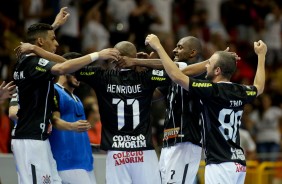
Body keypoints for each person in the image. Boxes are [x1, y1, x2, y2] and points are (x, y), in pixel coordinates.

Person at [23, 40, 170, 184]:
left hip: (116, 152)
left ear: (114, 57)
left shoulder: (102, 76)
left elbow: (65, 63)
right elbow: (175, 69)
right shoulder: (146, 77)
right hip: (144, 151)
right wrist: (141, 62)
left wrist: (37, 50)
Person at [145, 34, 267, 184]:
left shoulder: (211, 89)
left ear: (217, 71)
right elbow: (259, 87)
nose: (206, 65)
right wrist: (261, 56)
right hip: (238, 162)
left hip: (219, 163)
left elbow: (177, 75)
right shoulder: (241, 90)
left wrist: (158, 46)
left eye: (210, 63)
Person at [11, 21, 119, 183]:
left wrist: (37, 44)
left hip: (39, 139)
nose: (57, 42)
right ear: (40, 41)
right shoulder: (31, 63)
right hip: (30, 140)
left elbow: (61, 60)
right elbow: (63, 66)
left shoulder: (28, 62)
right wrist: (98, 55)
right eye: (53, 38)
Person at [117, 36, 205, 184]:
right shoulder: (172, 75)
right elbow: (151, 95)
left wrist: (137, 60)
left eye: (180, 47)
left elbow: (173, 66)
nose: (174, 50)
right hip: (169, 140)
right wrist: (142, 72)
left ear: (192, 53)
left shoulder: (198, 71)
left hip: (186, 140)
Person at [49, 52, 96, 183]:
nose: (79, 76)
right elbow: (54, 120)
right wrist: (72, 126)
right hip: (66, 163)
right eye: (76, 71)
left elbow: (78, 130)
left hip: (86, 162)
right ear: (66, 69)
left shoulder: (77, 98)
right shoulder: (54, 91)